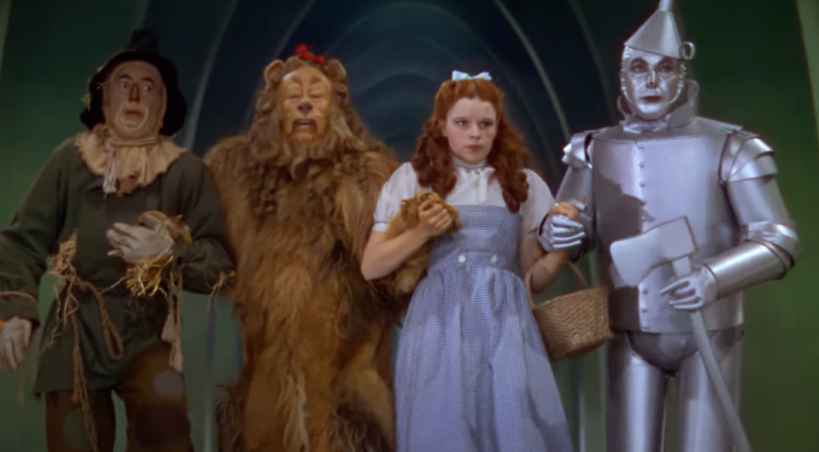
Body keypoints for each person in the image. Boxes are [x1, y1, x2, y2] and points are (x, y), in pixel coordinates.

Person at [537, 1, 801, 451]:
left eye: (665, 69)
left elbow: (778, 239)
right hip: (630, 328)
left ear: (683, 74)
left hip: (711, 331)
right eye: (639, 69)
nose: (652, 82)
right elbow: (573, 221)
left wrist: (713, 277)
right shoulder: (594, 148)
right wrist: (560, 232)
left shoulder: (732, 146)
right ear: (624, 77)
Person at [0, 28, 235, 452]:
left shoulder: (186, 172)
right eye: (123, 84)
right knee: (73, 441)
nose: (134, 95)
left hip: (150, 333)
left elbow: (221, 265)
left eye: (148, 87)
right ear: (105, 100)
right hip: (75, 330)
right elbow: (21, 243)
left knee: (167, 436)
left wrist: (169, 252)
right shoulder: (70, 161)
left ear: (162, 104)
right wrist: (15, 313)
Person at [360, 70, 575, 452]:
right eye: (462, 123)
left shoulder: (521, 184)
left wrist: (562, 248)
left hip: (505, 324)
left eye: (485, 124)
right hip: (437, 324)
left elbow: (535, 277)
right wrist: (422, 232)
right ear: (442, 126)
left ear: (498, 128)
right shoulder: (412, 178)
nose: (474, 134)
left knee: (513, 426)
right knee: (442, 429)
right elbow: (371, 265)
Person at [203, 44, 401, 452]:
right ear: (274, 108)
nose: (305, 104)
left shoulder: (370, 178)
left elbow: (398, 266)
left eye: (317, 96)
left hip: (345, 376)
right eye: (293, 96)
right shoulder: (235, 175)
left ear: (336, 108)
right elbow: (203, 242)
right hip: (267, 375)